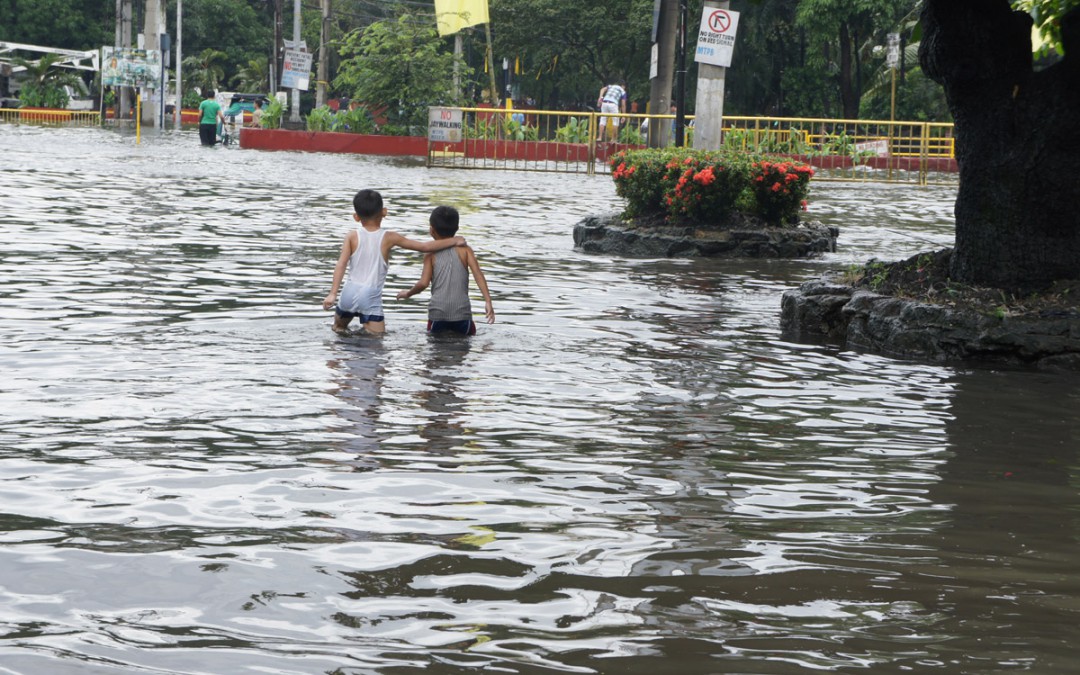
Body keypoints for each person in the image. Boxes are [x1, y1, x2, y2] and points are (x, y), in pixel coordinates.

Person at [322, 189, 466, 335]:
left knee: (339, 330)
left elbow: (341, 264)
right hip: (370, 295)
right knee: (375, 341)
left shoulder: (351, 236)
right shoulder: (389, 237)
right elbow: (424, 247)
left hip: (348, 292)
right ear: (384, 212)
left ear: (356, 217)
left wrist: (333, 294)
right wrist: (454, 240)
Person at [396, 205, 494, 336]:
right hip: (462, 314)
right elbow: (478, 274)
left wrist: (408, 293)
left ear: (431, 230)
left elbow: (423, 283)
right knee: (463, 349)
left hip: (438, 314)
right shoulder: (465, 250)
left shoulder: (430, 253)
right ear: (457, 228)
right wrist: (488, 301)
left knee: (436, 351)